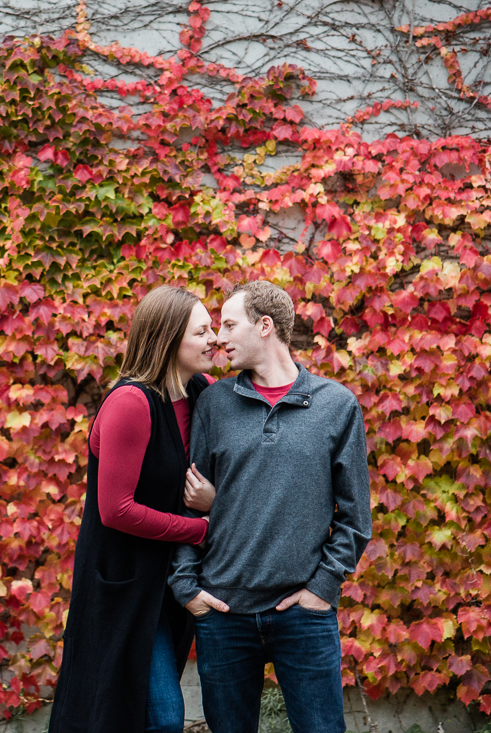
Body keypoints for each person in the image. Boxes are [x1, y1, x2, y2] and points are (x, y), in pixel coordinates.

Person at [169, 280, 372, 733]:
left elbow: (356, 517)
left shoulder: (336, 406)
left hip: (303, 614)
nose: (218, 337)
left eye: (228, 324)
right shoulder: (214, 403)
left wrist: (322, 589)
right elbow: (189, 501)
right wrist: (187, 589)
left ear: (264, 326)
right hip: (222, 613)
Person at [49, 285, 220, 733]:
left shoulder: (201, 392)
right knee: (150, 716)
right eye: (201, 331)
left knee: (147, 715)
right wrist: (201, 528)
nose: (214, 340)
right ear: (168, 338)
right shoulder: (130, 403)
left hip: (171, 583)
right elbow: (116, 510)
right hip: (123, 585)